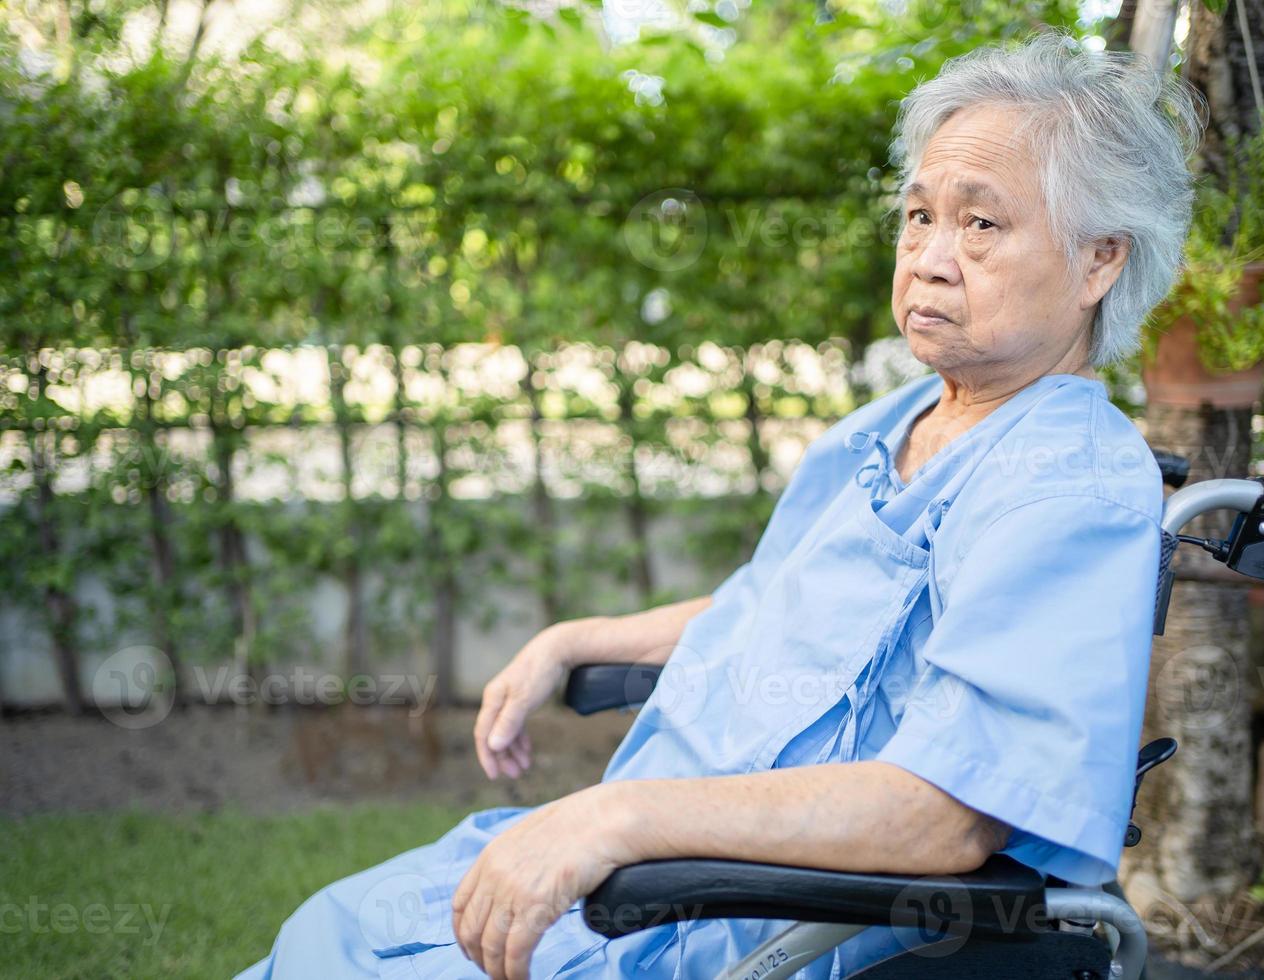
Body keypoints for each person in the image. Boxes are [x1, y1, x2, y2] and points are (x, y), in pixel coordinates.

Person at [238, 28, 1203, 980]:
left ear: (1098, 262)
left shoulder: (1066, 485)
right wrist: (579, 639)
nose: (931, 257)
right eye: (918, 217)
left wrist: (608, 820)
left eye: (981, 224)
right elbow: (784, 612)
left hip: (759, 927)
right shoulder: (891, 426)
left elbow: (946, 812)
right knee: (332, 930)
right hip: (648, 874)